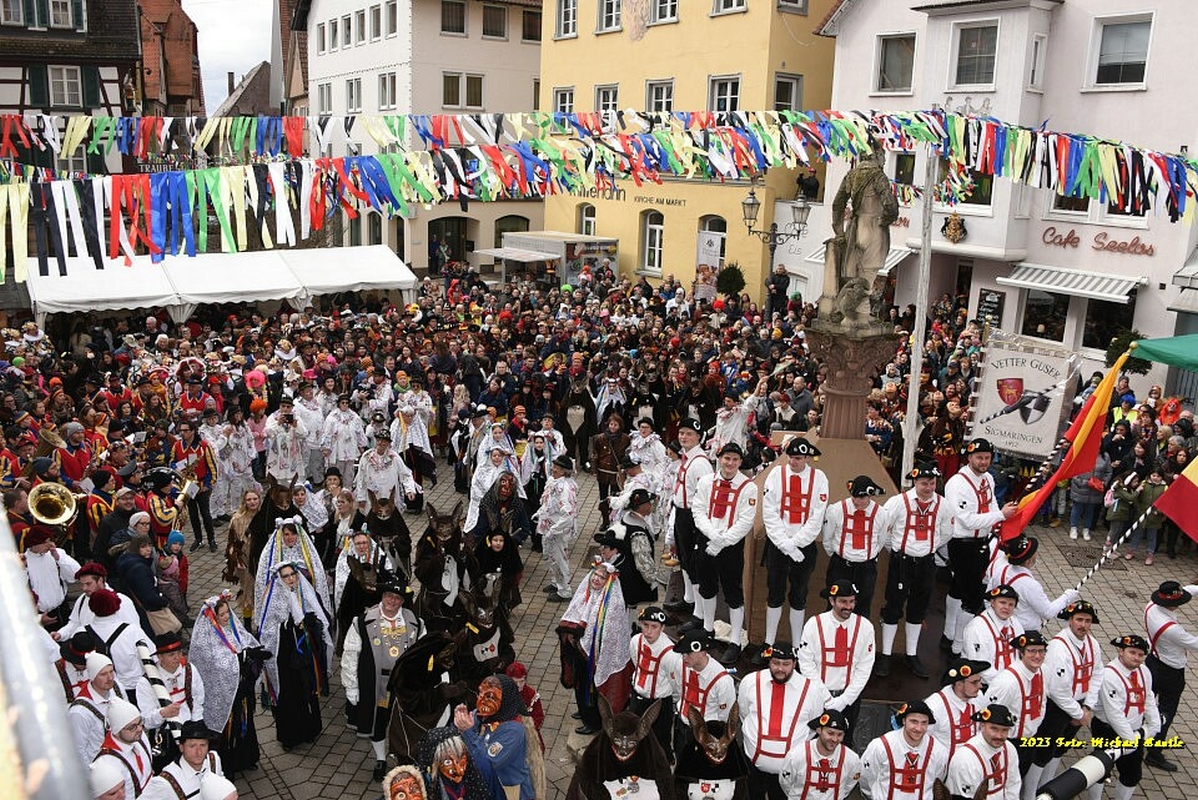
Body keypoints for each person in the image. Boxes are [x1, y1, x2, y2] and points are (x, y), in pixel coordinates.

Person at [343, 572, 421, 780]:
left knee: (404, 722)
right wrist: (351, 686)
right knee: (378, 722)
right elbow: (350, 654)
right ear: (382, 596)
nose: (392, 601)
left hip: (404, 685)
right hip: (377, 684)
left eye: (397, 598)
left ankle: (404, 757)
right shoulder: (362, 621)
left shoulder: (416, 622)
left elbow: (423, 655)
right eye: (388, 596)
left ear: (402, 601)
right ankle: (380, 759)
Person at [943, 438, 1018, 656]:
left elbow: (992, 504)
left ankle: (949, 633)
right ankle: (958, 645)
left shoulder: (988, 479)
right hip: (963, 544)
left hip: (981, 542)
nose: (984, 462)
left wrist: (999, 517)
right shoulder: (957, 484)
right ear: (969, 457)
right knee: (973, 597)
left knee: (958, 587)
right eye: (979, 457)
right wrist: (1000, 516)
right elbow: (966, 520)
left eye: (987, 458)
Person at [876, 463, 951, 678]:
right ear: (915, 482)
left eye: (932, 483)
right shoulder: (898, 502)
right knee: (893, 606)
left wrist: (927, 548)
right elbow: (884, 530)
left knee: (918, 608)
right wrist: (897, 550)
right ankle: (886, 654)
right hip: (902, 562)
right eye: (924, 483)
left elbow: (946, 532)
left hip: (926, 563)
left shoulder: (943, 505)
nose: (929, 488)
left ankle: (911, 654)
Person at [758, 437, 828, 663]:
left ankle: (797, 645)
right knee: (774, 593)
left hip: (804, 547)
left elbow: (817, 516)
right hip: (778, 544)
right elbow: (769, 511)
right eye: (790, 457)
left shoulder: (819, 478)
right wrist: (785, 544)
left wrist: (798, 543)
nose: (793, 462)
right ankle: (769, 643)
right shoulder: (776, 474)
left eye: (798, 458)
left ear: (807, 458)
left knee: (799, 594)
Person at [738, 641, 832, 800]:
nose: (780, 669)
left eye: (786, 664)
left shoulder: (812, 690)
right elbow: (744, 713)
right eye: (775, 663)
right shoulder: (750, 682)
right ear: (769, 661)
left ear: (794, 664)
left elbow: (812, 726)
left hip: (790, 774)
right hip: (752, 769)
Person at [189, 594, 268, 778]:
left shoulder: (234, 628)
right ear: (213, 617)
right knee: (228, 729)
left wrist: (253, 655)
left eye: (227, 613)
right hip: (223, 696)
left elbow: (245, 642)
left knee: (245, 722)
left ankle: (247, 758)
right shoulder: (206, 639)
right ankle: (228, 765)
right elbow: (216, 665)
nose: (226, 617)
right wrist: (241, 658)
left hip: (241, 689)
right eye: (222, 615)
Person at [692, 442, 757, 665]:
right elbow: (698, 510)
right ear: (720, 459)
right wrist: (712, 535)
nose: (730, 463)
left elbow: (746, 521)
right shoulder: (706, 482)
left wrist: (723, 542)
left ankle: (735, 641)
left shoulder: (748, 487)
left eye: (735, 460)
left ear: (740, 462)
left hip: (731, 546)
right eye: (727, 458)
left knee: (733, 593)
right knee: (707, 586)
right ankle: (708, 629)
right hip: (707, 540)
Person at [256, 561, 332, 749]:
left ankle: (310, 729)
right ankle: (289, 737)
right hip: (285, 654)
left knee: (307, 688)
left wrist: (312, 623)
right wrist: (287, 625)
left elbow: (318, 615)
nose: (290, 579)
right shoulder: (274, 597)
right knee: (289, 693)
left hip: (304, 651)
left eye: (293, 574)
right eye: (286, 576)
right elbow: (267, 628)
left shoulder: (304, 591)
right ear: (279, 579)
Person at [1031, 601, 1099, 795]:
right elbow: (1057, 690)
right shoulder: (1058, 647)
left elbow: (1097, 673)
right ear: (1070, 620)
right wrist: (1078, 713)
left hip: (1080, 706)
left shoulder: (1093, 644)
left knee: (1061, 748)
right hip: (1056, 708)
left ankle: (1048, 786)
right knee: (1043, 751)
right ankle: (1031, 792)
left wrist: (1087, 706)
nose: (1083, 625)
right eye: (1079, 619)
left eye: (1087, 621)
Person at [559, 560, 632, 735]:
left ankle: (592, 722)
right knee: (579, 683)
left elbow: (607, 634)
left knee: (590, 688)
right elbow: (574, 613)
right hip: (581, 652)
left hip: (595, 657)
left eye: (601, 577)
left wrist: (586, 643)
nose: (596, 579)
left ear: (608, 581)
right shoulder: (587, 592)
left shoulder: (612, 604)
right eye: (595, 575)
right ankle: (582, 710)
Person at [1084, 635, 1162, 800]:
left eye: (1140, 655)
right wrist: (1130, 740)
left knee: (1132, 774)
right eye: (1132, 652)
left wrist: (1155, 725)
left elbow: (1148, 698)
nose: (1136, 658)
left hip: (1134, 731)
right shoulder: (1109, 675)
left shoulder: (1144, 671)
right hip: (1108, 730)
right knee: (1100, 770)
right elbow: (1114, 714)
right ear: (1121, 651)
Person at [798, 581, 875, 733]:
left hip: (850, 700)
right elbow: (806, 663)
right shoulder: (814, 624)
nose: (849, 606)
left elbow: (865, 667)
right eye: (843, 602)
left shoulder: (865, 627)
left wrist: (844, 700)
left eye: (852, 601)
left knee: (845, 740)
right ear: (832, 601)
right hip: (817, 697)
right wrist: (826, 697)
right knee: (812, 738)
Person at [452, 674, 538, 800]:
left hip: (507, 789)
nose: (481, 700)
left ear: (504, 700)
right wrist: (460, 722)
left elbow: (486, 764)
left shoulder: (513, 731)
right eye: (480, 693)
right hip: (487, 783)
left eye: (490, 697)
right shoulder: (483, 714)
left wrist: (467, 731)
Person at [1141, 580, 1197, 773]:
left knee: (1143, 703)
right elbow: (1195, 643)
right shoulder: (1171, 629)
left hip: (1152, 662)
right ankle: (1154, 753)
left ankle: (1133, 737)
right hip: (1170, 672)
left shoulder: (1151, 606)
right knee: (1166, 712)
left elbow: (1188, 590)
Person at [663, 418, 712, 622]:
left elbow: (705, 496)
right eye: (682, 433)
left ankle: (699, 612)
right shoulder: (686, 457)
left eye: (689, 434)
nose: (684, 437)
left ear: (698, 437)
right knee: (683, 558)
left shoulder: (700, 463)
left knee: (693, 563)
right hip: (681, 513)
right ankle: (688, 598)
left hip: (693, 516)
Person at [822, 475, 886, 620]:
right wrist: (839, 556)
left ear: (870, 495)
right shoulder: (836, 510)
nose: (857, 501)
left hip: (866, 569)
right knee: (834, 604)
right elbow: (827, 538)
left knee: (863, 606)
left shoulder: (881, 514)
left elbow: (880, 540)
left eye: (862, 498)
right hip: (840, 566)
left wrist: (868, 557)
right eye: (854, 497)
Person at [985, 632, 1047, 778]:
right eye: (1032, 651)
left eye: (1041, 651)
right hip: (1009, 743)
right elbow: (988, 715)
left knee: (1020, 776)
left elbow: (1042, 701)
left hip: (1030, 739)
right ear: (1021, 653)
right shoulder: (1007, 682)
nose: (1037, 656)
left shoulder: (1042, 671)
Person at [858, 700, 948, 800]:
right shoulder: (880, 746)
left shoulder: (939, 751)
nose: (919, 728)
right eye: (914, 721)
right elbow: (865, 778)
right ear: (904, 721)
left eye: (924, 723)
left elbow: (938, 779)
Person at [989, 535, 1080, 633]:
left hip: (999, 626)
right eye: (1034, 552)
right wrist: (1067, 596)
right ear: (1028, 560)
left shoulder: (1000, 570)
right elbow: (1047, 612)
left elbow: (989, 595)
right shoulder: (1030, 585)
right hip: (1024, 631)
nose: (1037, 554)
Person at [671, 628, 736, 753]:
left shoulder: (722, 681)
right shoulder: (680, 665)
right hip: (682, 726)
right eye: (682, 653)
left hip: (706, 735)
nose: (684, 657)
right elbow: (679, 689)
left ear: (703, 652)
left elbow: (724, 716)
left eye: (688, 653)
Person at [628, 606, 679, 762]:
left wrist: (670, 700)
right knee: (634, 734)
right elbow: (636, 662)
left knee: (660, 740)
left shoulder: (671, 654)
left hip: (659, 703)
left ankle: (663, 765)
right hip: (637, 697)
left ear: (662, 628)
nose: (649, 631)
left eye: (654, 627)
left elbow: (676, 684)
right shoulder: (636, 641)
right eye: (645, 625)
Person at [778, 708, 861, 800]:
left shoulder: (852, 759)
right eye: (830, 733)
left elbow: (850, 784)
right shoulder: (796, 755)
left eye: (839, 735)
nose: (835, 739)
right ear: (819, 730)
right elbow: (785, 782)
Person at [596, 487, 658, 609]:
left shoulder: (628, 517)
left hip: (627, 571)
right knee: (629, 606)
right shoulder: (637, 532)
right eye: (649, 503)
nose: (651, 505)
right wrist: (652, 579)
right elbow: (642, 560)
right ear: (641, 507)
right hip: (633, 575)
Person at [334, 530, 394, 654]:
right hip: (354, 602)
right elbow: (341, 583)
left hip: (376, 602)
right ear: (353, 545)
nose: (362, 546)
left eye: (364, 543)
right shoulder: (345, 559)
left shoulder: (380, 557)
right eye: (358, 544)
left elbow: (389, 578)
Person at [945, 703, 1020, 800]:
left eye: (1004, 730)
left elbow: (1013, 785)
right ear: (982, 726)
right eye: (994, 729)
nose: (999, 736)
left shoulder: (1009, 749)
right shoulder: (965, 759)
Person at [142, 720, 225, 800]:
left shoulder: (213, 760)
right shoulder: (165, 782)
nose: (199, 752)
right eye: (192, 746)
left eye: (203, 745)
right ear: (181, 747)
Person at [926, 658, 990, 761]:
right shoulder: (935, 706)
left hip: (974, 761)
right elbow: (923, 740)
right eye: (974, 682)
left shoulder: (978, 697)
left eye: (979, 681)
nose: (980, 686)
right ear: (958, 684)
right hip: (944, 765)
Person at [22, 523, 82, 629]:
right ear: (34, 543)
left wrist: (59, 559)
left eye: (50, 540)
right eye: (46, 542)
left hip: (62, 609)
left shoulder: (56, 554)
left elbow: (75, 574)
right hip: (40, 615)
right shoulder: (23, 561)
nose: (50, 544)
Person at [172, 417, 218, 553]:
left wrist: (209, 484)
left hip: (202, 485)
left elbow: (212, 466)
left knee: (206, 514)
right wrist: (176, 467)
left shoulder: (204, 446)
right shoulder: (177, 446)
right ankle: (198, 539)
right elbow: (172, 461)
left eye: (186, 430)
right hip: (186, 485)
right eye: (181, 431)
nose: (182, 433)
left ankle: (211, 539)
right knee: (192, 514)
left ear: (193, 431)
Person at [962, 585, 1025, 685]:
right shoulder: (977, 627)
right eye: (1002, 602)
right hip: (984, 685)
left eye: (1011, 604)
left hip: (1012, 682)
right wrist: (1005, 684)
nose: (1006, 607)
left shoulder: (1015, 623)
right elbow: (980, 665)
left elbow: (1022, 653)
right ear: (992, 602)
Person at [70, 653, 126, 762]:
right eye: (103, 674)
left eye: (111, 672)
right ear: (92, 677)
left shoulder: (117, 687)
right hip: (101, 764)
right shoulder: (79, 712)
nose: (110, 678)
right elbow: (79, 751)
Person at [94, 697, 154, 799]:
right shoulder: (108, 763)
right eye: (132, 727)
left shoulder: (139, 736)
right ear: (117, 731)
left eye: (140, 722)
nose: (139, 729)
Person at [539, 454, 579, 602]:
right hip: (550, 526)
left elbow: (568, 515)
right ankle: (556, 582)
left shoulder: (565, 488)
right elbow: (548, 503)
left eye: (556, 467)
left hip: (558, 529)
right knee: (551, 557)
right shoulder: (555, 482)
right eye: (554, 466)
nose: (553, 469)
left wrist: (554, 530)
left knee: (559, 559)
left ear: (563, 471)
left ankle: (564, 591)